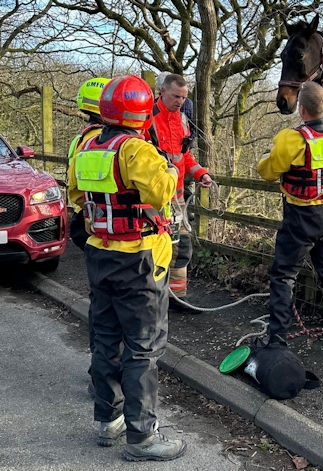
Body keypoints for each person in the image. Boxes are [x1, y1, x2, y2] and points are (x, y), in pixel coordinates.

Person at [67, 74, 186, 461]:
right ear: (141, 111)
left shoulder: (85, 149)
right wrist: (169, 171)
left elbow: (75, 195)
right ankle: (142, 437)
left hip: (99, 254)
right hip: (138, 259)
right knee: (142, 348)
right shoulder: (137, 150)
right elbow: (162, 192)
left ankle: (108, 420)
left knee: (105, 338)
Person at [257, 77, 323, 348]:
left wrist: (266, 156)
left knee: (283, 275)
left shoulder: (291, 140)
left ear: (301, 110)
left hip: (300, 217)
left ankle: (277, 335)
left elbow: (267, 172)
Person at [145, 73, 212, 305]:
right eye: (176, 96)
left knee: (181, 247)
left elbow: (184, 156)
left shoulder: (182, 119)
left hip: (178, 198)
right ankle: (155, 297)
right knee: (156, 250)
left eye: (184, 97)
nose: (181, 101)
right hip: (154, 199)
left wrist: (200, 172)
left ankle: (178, 298)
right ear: (162, 92)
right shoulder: (147, 120)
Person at [68, 77, 110, 251]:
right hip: (106, 217)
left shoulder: (80, 139)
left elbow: (74, 185)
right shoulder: (105, 140)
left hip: (87, 213)